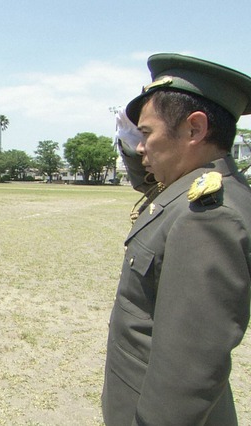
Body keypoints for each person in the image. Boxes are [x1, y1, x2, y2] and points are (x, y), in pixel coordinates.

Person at [102, 53, 251, 426]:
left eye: (147, 134)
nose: (140, 147)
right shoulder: (189, 187)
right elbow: (147, 179)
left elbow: (187, 372)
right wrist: (130, 137)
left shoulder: (209, 215)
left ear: (194, 130)